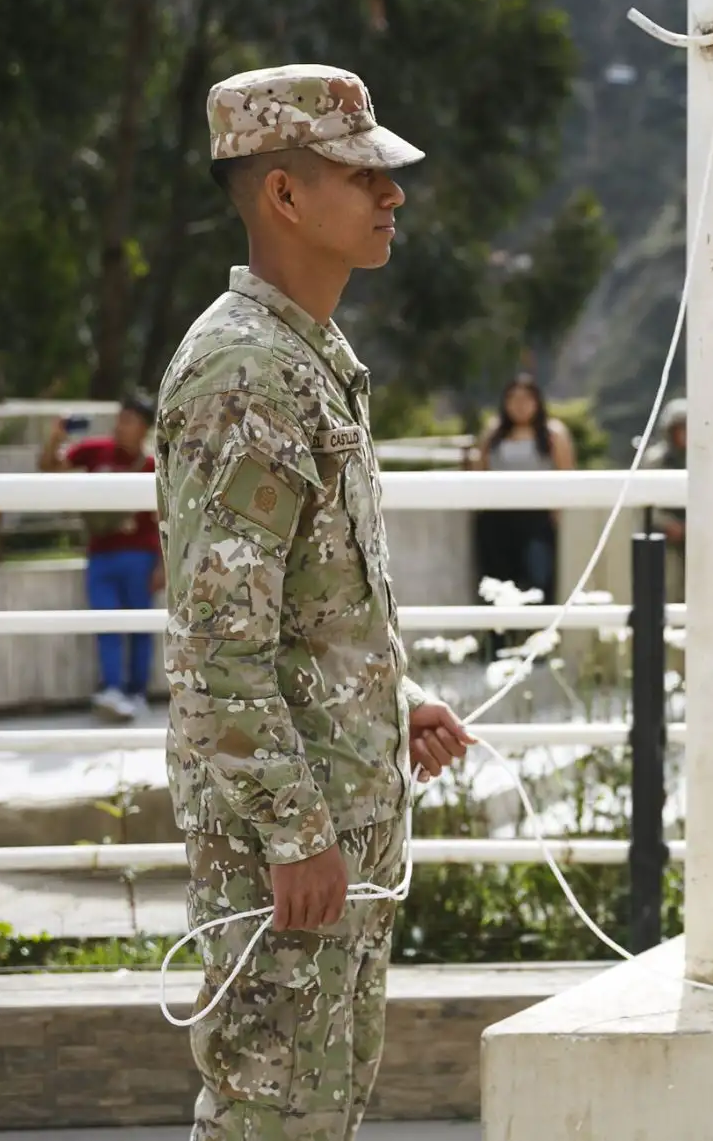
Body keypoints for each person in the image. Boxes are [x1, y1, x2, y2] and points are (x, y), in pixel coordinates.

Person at [154, 63, 472, 1141]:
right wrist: (295, 832)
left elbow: (300, 611)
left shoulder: (306, 358)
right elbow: (215, 649)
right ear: (283, 196)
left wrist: (395, 701)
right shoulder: (245, 373)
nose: (393, 196)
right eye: (361, 175)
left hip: (334, 817)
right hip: (289, 841)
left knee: (315, 1105)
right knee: (271, 1112)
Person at [39, 392, 163, 722]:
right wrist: (55, 438)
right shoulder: (96, 451)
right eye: (120, 418)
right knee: (106, 623)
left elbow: (165, 520)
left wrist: (164, 566)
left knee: (139, 627)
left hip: (140, 556)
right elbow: (49, 467)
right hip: (101, 555)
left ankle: (136, 693)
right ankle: (112, 689)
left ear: (145, 429)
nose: (121, 426)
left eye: (130, 421)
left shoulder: (152, 465)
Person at [468, 371, 576, 605]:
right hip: (496, 520)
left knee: (538, 582)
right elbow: (479, 472)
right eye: (513, 399)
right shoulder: (493, 433)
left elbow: (565, 474)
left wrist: (556, 517)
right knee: (496, 584)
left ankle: (539, 637)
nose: (520, 406)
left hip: (537, 520)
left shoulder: (552, 434)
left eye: (526, 399)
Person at [639, 397, 687, 602]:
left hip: (695, 532)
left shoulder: (703, 459)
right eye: (681, 428)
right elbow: (646, 500)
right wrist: (668, 524)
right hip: (662, 534)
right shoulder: (655, 460)